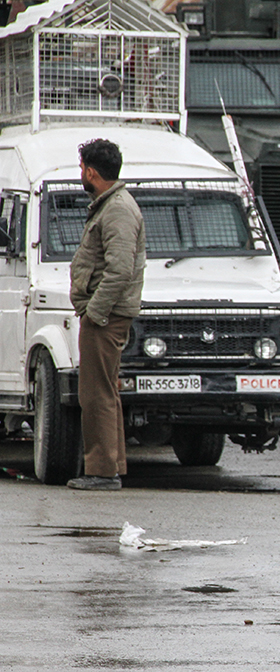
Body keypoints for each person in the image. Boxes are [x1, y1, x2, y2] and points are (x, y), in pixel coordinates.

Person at [66, 139, 146, 491]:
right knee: (104, 391)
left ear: (91, 171)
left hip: (106, 316)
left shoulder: (117, 209)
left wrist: (94, 313)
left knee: (95, 394)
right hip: (106, 314)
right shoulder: (110, 205)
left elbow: (120, 271)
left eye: (81, 168)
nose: (80, 174)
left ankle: (101, 472)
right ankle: (110, 466)